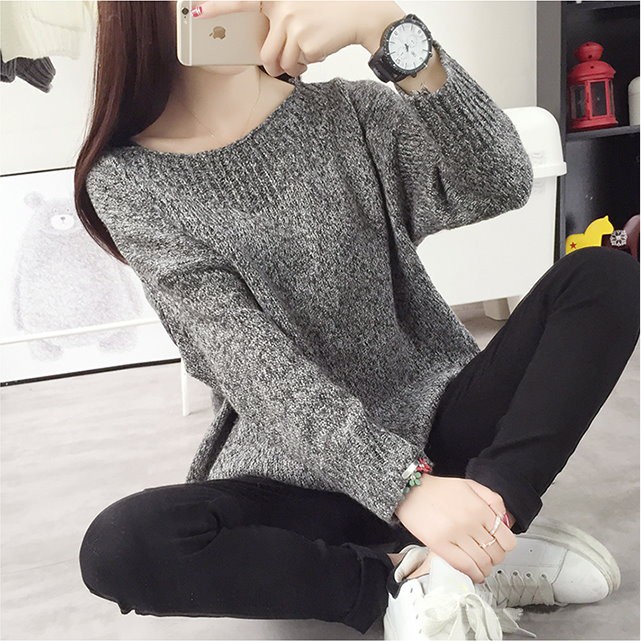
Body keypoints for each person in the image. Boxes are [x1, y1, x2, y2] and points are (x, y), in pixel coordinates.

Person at [75, 1, 640, 638]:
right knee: (123, 545)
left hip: (439, 423)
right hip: (298, 474)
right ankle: (397, 582)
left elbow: (499, 180)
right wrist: (403, 488)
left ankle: (480, 534)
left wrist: (390, 32)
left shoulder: (350, 112)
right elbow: (256, 368)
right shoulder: (128, 181)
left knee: (604, 277)